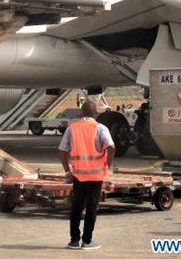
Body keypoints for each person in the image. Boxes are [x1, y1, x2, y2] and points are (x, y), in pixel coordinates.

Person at [59, 100, 115, 250]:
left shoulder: (72, 128)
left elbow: (62, 150)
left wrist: (67, 171)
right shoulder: (101, 128)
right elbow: (111, 148)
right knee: (92, 207)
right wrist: (107, 166)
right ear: (96, 114)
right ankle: (87, 241)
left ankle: (74, 241)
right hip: (96, 176)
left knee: (77, 206)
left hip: (78, 175)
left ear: (81, 113)